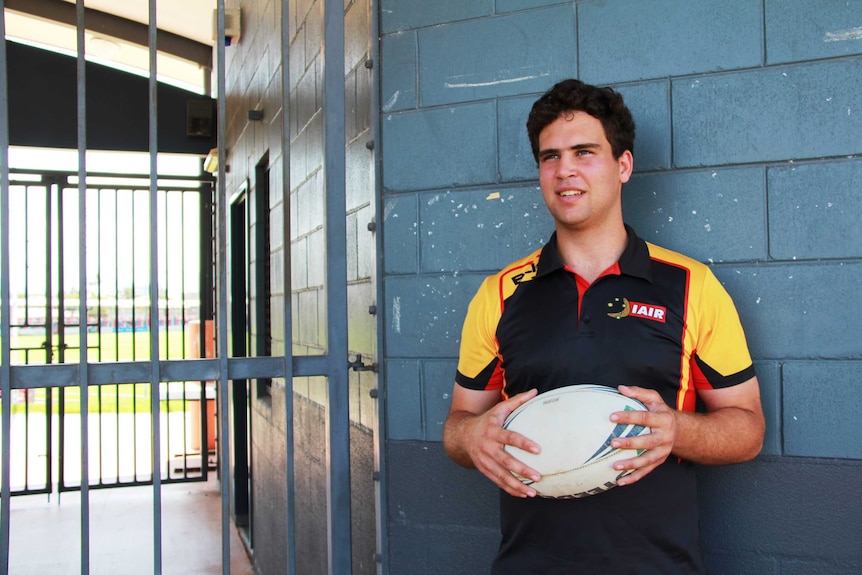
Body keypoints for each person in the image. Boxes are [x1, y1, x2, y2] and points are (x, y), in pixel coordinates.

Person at [442, 78, 765, 574]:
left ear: (623, 165)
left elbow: (747, 429)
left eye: (584, 151)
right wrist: (471, 439)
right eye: (550, 157)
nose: (564, 169)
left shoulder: (691, 285)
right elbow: (458, 426)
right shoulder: (500, 293)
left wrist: (674, 431)